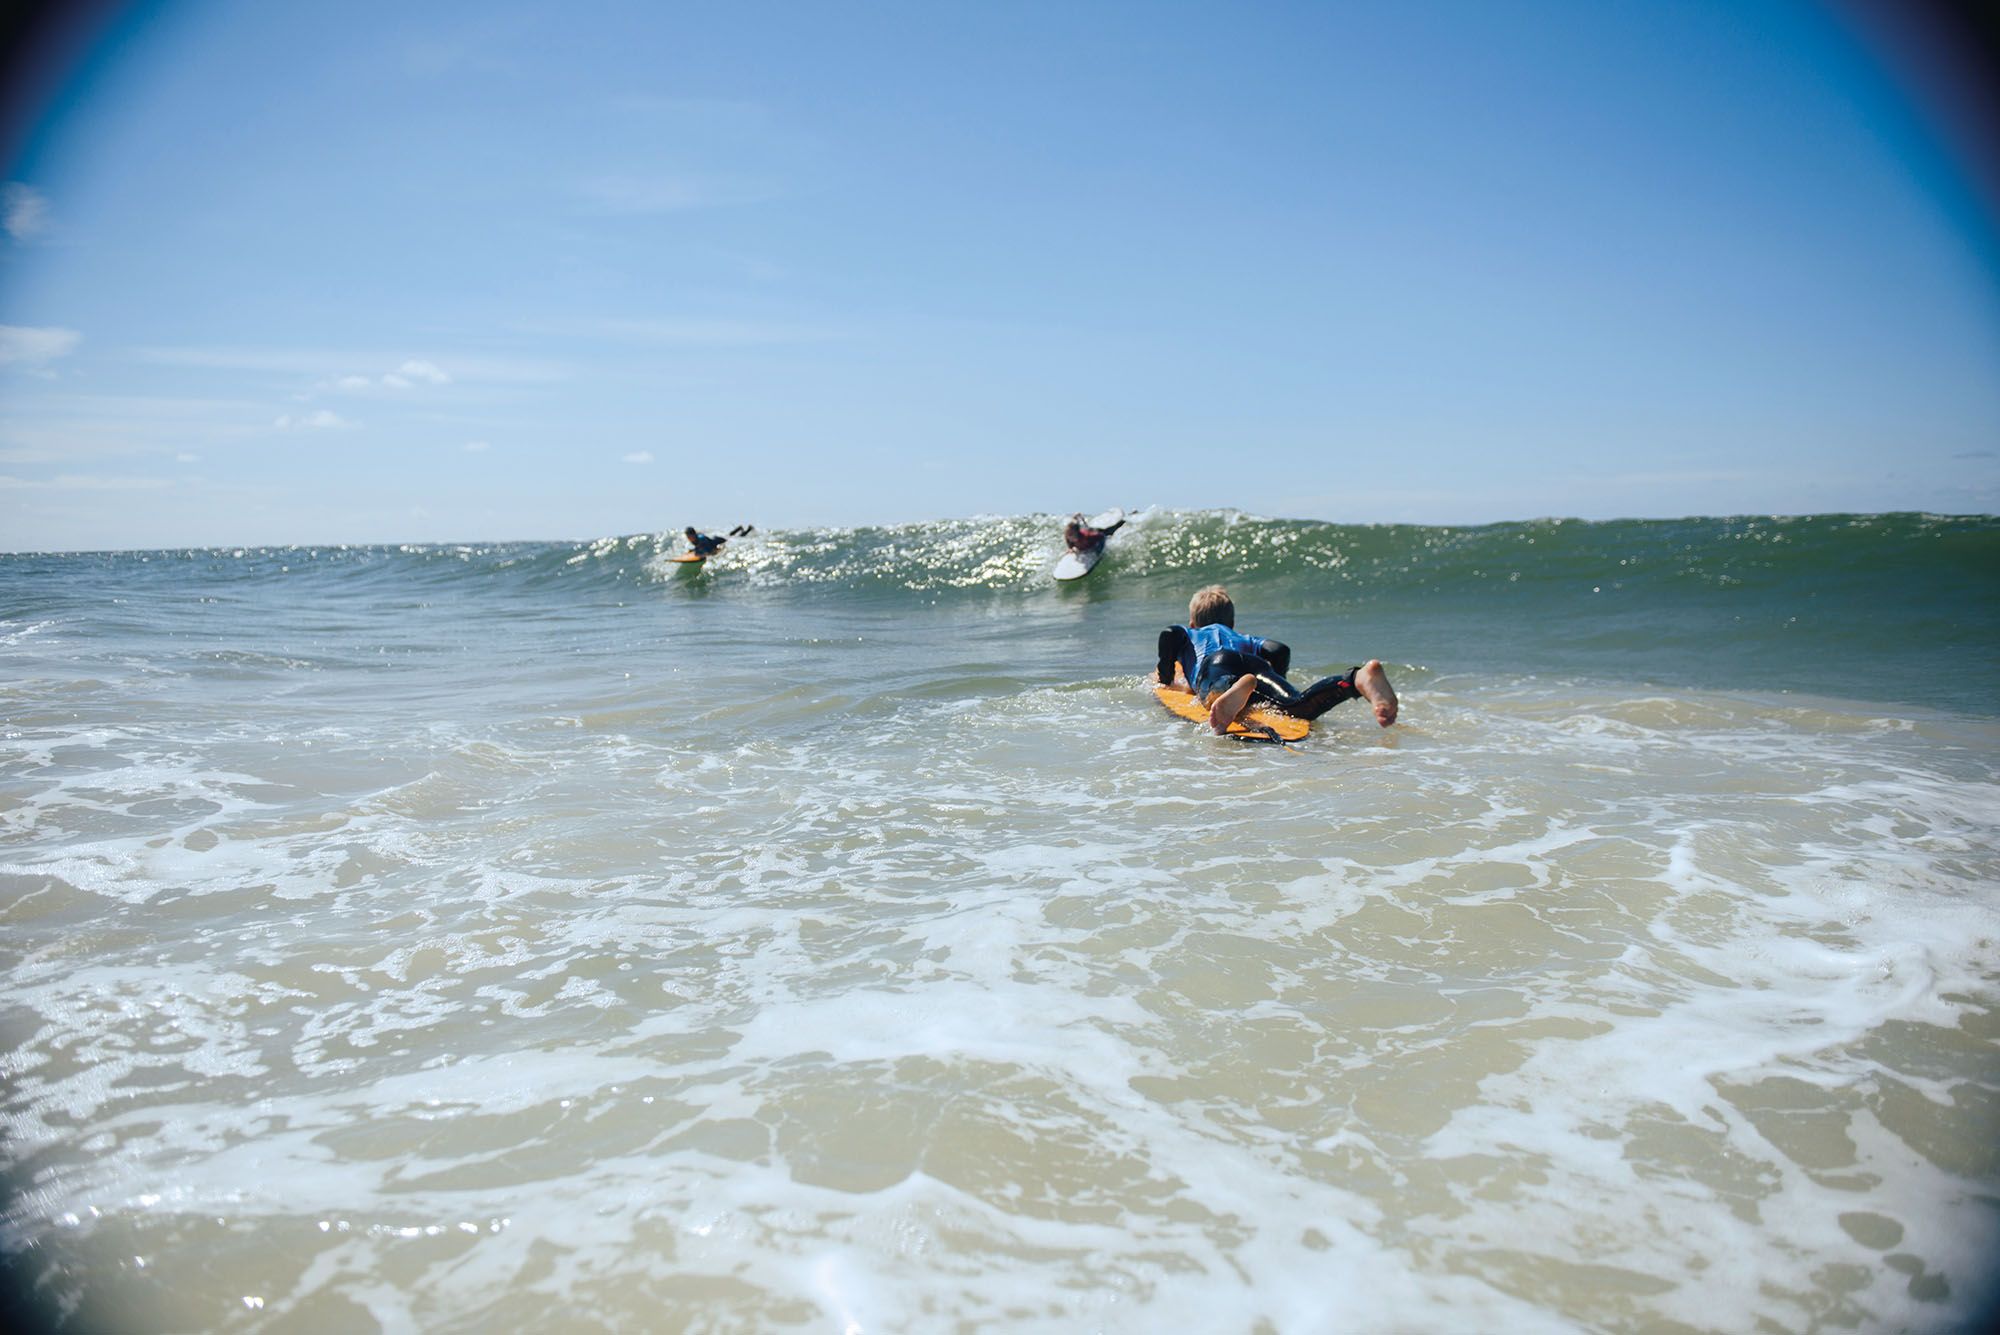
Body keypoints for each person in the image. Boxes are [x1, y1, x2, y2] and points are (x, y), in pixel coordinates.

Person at [1155, 584, 1398, 735]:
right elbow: (1279, 649)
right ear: (1232, 624)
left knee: (1211, 695)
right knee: (1298, 706)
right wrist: (1276, 680)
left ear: (1192, 623)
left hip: (1217, 662)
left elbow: (1170, 634)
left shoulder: (1190, 633)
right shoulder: (1244, 638)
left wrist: (1166, 677)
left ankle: (1233, 690)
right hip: (1254, 664)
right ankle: (1357, 678)